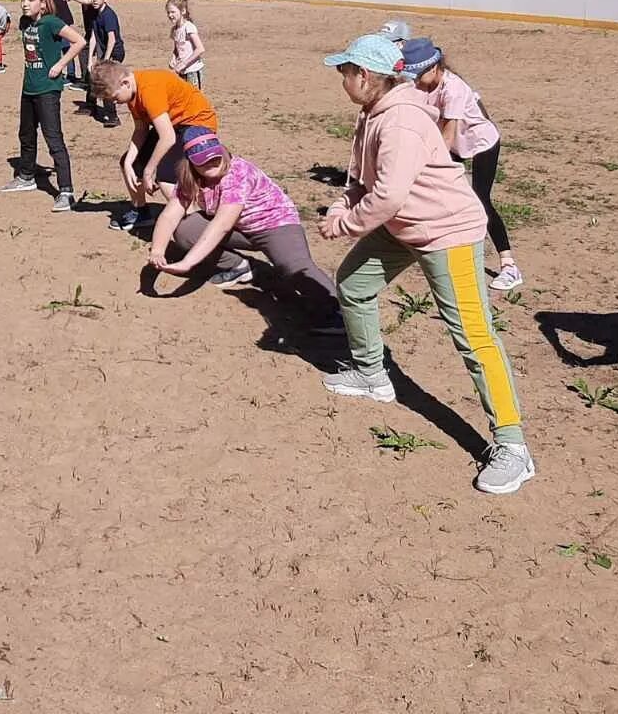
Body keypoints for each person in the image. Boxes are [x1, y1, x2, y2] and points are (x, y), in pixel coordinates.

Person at [317, 32, 534, 495]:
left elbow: (389, 194)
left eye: (345, 71)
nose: (341, 79)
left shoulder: (400, 122)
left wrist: (347, 224)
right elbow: (363, 180)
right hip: (401, 227)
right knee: (354, 284)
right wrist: (343, 205)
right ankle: (373, 374)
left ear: (366, 76)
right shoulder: (371, 115)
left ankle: (513, 446)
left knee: (474, 337)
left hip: (446, 233)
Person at [148, 127, 343, 334]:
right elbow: (170, 215)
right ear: (190, 162)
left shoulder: (237, 172)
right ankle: (239, 266)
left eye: (215, 157)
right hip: (241, 227)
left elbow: (221, 224)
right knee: (186, 229)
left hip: (275, 225)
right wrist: (158, 251)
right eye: (202, 161)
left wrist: (188, 262)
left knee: (293, 266)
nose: (211, 163)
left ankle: (338, 313)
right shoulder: (190, 178)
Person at [400, 38, 523, 292]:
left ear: (433, 68)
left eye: (417, 74)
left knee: (479, 200)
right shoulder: (424, 85)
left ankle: (509, 265)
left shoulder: (452, 89)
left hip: (481, 144)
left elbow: (448, 135)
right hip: (458, 144)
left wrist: (426, 164)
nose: (414, 80)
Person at [90, 60, 220, 232]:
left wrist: (149, 170)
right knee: (129, 164)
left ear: (125, 83)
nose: (114, 103)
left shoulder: (149, 89)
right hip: (173, 126)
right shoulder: (131, 93)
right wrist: (129, 162)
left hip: (196, 125)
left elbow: (167, 138)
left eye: (114, 98)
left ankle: (197, 224)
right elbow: (141, 130)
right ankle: (141, 211)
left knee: (166, 176)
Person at [0, 0, 84, 212]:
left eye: (30, 0)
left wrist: (60, 65)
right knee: (26, 134)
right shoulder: (25, 24)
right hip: (29, 87)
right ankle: (26, 176)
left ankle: (66, 191)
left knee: (53, 138)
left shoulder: (52, 23)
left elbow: (79, 41)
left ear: (43, 3)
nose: (25, 4)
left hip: (48, 89)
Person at [86, 0, 125, 127]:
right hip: (104, 51)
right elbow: (93, 37)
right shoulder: (94, 14)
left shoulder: (108, 15)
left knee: (106, 82)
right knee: (95, 78)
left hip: (115, 51)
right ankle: (93, 106)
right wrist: (90, 59)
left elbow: (112, 39)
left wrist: (106, 60)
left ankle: (113, 116)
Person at [67, 0, 106, 90]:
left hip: (99, 31)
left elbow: (88, 1)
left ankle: (98, 82)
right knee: (83, 51)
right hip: (90, 31)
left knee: (101, 57)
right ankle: (87, 80)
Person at [166, 0, 206, 88]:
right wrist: (173, 58)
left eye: (173, 12)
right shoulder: (175, 29)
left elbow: (200, 49)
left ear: (183, 11)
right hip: (181, 71)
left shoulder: (189, 27)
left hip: (192, 71)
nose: (170, 15)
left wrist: (184, 64)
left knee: (194, 100)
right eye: (168, 12)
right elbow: (177, 49)